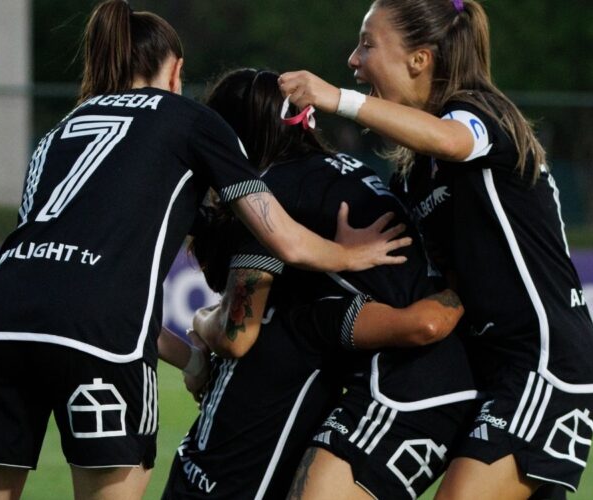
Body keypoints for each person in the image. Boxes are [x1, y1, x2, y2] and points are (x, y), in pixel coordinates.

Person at [0, 3, 408, 500]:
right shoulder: (188, 119)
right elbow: (284, 239)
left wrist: (189, 357)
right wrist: (350, 255)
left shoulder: (58, 134)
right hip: (100, 340)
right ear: (175, 70)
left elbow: (65, 289)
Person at [278, 1, 593, 498]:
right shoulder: (414, 173)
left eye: (368, 44)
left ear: (419, 60)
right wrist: (342, 256)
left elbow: (453, 141)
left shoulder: (479, 112)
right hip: (483, 369)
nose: (353, 59)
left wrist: (335, 98)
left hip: (541, 362)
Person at [161, 68, 477, 500]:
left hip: (411, 380)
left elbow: (237, 336)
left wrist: (201, 322)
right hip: (417, 364)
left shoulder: (267, 197)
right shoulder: (339, 171)